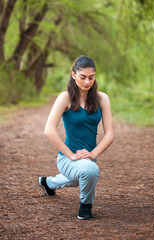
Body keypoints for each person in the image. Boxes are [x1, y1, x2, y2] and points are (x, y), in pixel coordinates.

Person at [39, 55, 114, 220]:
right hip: (67, 158)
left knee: (84, 175)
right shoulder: (64, 98)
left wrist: (92, 154)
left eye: (91, 77)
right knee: (90, 172)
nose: (87, 82)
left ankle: (48, 183)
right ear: (73, 75)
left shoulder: (102, 99)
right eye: (82, 77)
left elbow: (110, 134)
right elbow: (49, 130)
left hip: (87, 158)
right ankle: (85, 206)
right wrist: (71, 155)